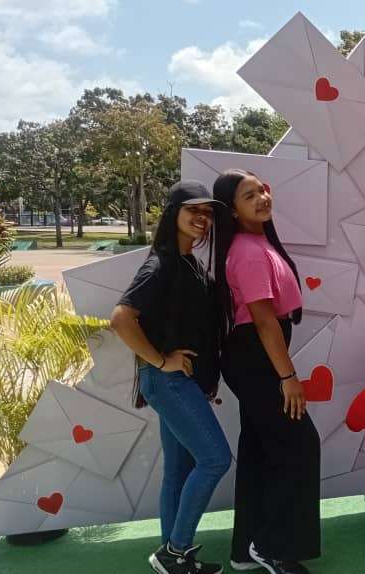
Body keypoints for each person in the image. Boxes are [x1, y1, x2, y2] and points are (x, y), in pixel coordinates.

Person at [110, 181, 230, 574]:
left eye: (207, 213)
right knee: (215, 459)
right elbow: (121, 318)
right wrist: (161, 362)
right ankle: (173, 551)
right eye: (192, 210)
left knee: (178, 470)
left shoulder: (188, 263)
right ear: (173, 214)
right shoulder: (160, 264)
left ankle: (174, 558)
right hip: (168, 383)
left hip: (181, 386)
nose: (201, 218)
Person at [213, 169, 320, 574]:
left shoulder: (258, 242)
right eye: (248, 195)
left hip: (256, 358)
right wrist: (288, 378)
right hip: (256, 359)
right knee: (299, 447)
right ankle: (272, 545)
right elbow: (263, 320)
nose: (261, 198)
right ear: (233, 211)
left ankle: (246, 548)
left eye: (262, 190)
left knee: (260, 450)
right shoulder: (247, 251)